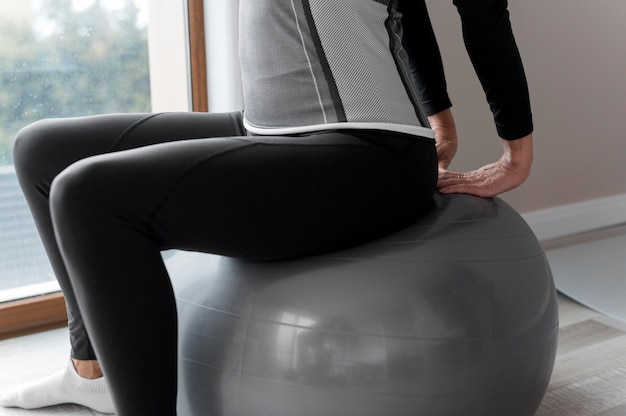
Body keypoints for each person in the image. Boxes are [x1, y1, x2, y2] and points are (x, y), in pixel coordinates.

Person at [0, 0, 533, 414]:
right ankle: (93, 377)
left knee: (89, 194)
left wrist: (516, 153)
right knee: (42, 150)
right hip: (272, 128)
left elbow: (482, 12)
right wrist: (441, 120)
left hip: (367, 153)